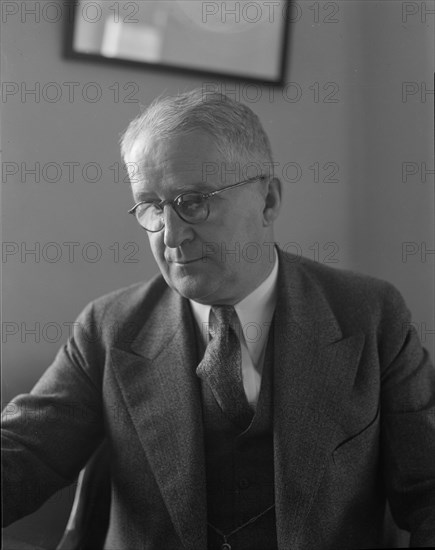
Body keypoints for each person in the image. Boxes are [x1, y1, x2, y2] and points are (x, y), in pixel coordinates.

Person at [2, 89, 435, 550]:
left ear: (268, 201)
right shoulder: (108, 327)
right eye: (150, 205)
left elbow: (428, 488)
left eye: (193, 201)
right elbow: (24, 454)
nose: (171, 235)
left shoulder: (370, 315)